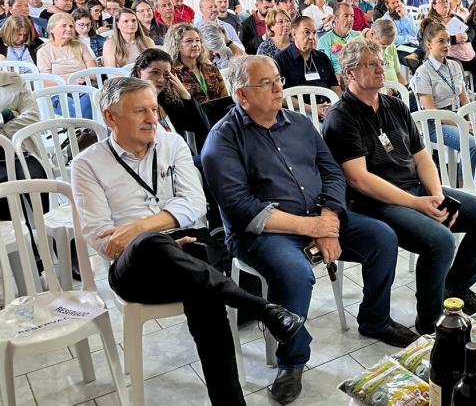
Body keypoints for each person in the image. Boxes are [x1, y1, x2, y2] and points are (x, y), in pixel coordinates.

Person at [71, 76, 304, 406]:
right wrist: (153, 236)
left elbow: (196, 204)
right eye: (140, 111)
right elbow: (103, 239)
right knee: (151, 246)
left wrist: (140, 227)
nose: (153, 118)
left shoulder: (171, 143)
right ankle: (261, 308)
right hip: (134, 270)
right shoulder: (87, 164)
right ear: (111, 117)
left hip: (189, 249)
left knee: (202, 293)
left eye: (154, 108)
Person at [202, 56, 416, 403]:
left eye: (278, 79)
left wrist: (328, 220)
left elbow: (332, 172)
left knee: (382, 237)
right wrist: (312, 225)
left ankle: (375, 319)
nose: (278, 88)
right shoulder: (222, 140)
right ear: (242, 95)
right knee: (296, 273)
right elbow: (243, 211)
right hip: (264, 233)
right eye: (266, 83)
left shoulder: (299, 124)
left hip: (319, 217)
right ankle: (293, 359)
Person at [322, 39, 476, 334]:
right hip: (375, 202)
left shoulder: (394, 105)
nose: (381, 68)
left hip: (415, 190)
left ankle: (455, 290)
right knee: (441, 241)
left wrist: (436, 194)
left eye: (381, 62)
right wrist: (417, 204)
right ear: (350, 73)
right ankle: (431, 319)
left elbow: (421, 157)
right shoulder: (341, 117)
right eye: (371, 64)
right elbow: (358, 179)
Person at [412, 19, 476, 174]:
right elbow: (432, 112)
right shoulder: (423, 72)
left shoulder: (454, 66)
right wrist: (461, 123)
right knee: (472, 145)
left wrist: (471, 121)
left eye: (447, 40)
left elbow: (465, 99)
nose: (446, 45)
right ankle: (466, 184)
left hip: (460, 117)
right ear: (428, 44)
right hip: (437, 124)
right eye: (441, 41)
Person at [130, 48, 211, 152]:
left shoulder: (168, 101)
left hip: (180, 158)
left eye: (166, 74)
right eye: (155, 72)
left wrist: (185, 94)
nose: (161, 79)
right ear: (138, 72)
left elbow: (203, 128)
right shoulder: (130, 105)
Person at [427, 0, 476, 100]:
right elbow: (435, 41)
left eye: (446, 1)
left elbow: (471, 30)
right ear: (434, 5)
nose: (445, 3)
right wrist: (454, 39)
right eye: (442, 1)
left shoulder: (455, 17)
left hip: (467, 53)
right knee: (458, 72)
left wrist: (466, 36)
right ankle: (461, 102)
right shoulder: (432, 22)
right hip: (449, 55)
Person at [276, 15, 340, 114]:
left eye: (314, 33)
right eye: (306, 32)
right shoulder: (281, 60)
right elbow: (280, 95)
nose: (311, 37)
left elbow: (335, 86)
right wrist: (312, 109)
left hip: (328, 110)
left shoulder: (322, 57)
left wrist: (332, 106)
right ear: (294, 34)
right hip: (299, 113)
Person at [165, 23, 229, 104]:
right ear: (176, 45)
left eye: (198, 40)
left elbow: (225, 99)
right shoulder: (173, 73)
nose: (195, 44)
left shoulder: (211, 69)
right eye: (189, 41)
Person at [317, 1, 362, 82]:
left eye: (352, 16)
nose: (350, 20)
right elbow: (324, 71)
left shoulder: (359, 36)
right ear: (335, 18)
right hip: (339, 83)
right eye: (346, 16)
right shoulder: (324, 41)